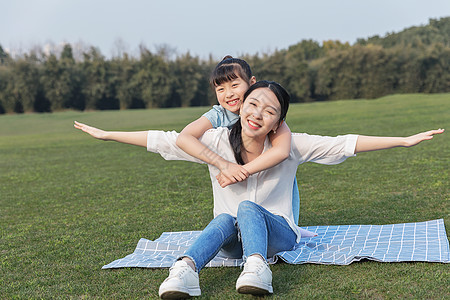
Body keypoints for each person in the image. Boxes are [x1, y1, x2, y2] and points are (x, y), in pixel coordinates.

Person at [74, 81, 443, 299]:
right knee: (224, 218)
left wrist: (404, 141)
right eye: (252, 104)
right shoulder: (216, 142)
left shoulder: (291, 145)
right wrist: (107, 134)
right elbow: (165, 140)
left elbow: (343, 143)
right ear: (241, 109)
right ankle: (185, 271)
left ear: (278, 122)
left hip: (279, 234)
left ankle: (257, 270)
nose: (257, 113)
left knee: (246, 211)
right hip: (233, 237)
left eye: (269, 111)